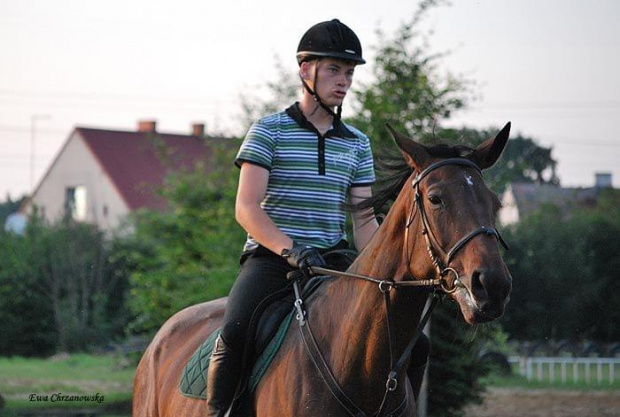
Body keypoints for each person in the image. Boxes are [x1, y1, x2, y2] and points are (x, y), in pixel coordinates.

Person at [205, 19, 427, 416]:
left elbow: (362, 223)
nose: (343, 81)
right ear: (305, 70)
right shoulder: (268, 131)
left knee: (414, 341)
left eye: (350, 73)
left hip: (335, 262)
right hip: (273, 260)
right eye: (333, 70)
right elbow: (247, 208)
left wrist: (389, 268)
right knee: (235, 329)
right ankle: (217, 412)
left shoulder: (357, 143)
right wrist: (290, 250)